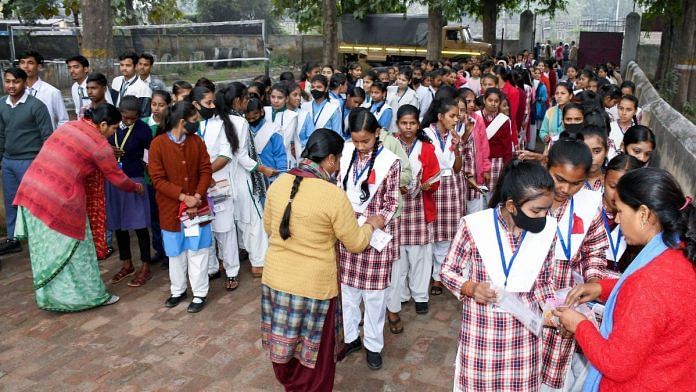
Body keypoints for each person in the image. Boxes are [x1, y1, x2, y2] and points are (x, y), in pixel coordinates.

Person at [554, 168, 696, 392]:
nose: (617, 220)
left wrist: (580, 325)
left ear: (643, 214)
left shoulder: (651, 281)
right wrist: (601, 287)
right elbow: (658, 305)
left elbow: (616, 363)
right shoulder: (680, 251)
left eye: (619, 211)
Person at [262, 128, 381, 391]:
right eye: (338, 160)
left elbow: (270, 229)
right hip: (314, 288)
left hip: (276, 282)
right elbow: (357, 242)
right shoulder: (332, 195)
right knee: (315, 357)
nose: (338, 166)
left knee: (286, 349)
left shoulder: (279, 183)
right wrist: (372, 224)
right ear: (329, 159)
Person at [13, 103, 144, 311]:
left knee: (47, 254)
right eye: (112, 128)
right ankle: (89, 297)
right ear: (102, 124)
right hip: (59, 203)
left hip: (32, 193)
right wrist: (136, 187)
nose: (113, 133)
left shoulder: (70, 126)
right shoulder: (99, 146)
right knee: (77, 252)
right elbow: (117, 179)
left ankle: (50, 299)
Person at [441, 159, 558, 391]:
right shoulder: (474, 226)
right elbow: (447, 271)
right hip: (482, 334)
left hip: (523, 337)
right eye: (536, 210)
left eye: (547, 209)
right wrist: (472, 288)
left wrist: (553, 311)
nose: (543, 216)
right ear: (512, 206)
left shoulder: (548, 232)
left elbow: (545, 281)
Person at [540, 137, 609, 392]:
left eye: (576, 183)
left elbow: (595, 249)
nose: (566, 190)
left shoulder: (590, 204)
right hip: (527, 297)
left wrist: (593, 281)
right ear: (546, 166)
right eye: (559, 179)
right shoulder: (528, 193)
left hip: (564, 298)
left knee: (554, 365)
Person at [339, 108, 401, 370]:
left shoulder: (390, 161)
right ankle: (351, 336)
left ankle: (373, 345)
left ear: (377, 133)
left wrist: (373, 220)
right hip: (346, 232)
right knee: (348, 291)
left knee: (375, 295)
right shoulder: (343, 153)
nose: (361, 146)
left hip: (375, 237)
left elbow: (390, 202)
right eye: (356, 141)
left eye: (366, 141)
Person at [148, 101, 213, 313]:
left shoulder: (197, 142)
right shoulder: (158, 144)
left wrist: (196, 196)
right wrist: (184, 197)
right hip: (171, 210)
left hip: (197, 207)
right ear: (182, 122)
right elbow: (157, 179)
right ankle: (178, 290)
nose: (198, 124)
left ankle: (200, 293)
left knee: (198, 251)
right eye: (195, 120)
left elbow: (205, 170)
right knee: (175, 253)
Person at [387, 105, 440, 331]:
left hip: (418, 205)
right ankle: (399, 295)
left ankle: (420, 296)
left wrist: (424, 185)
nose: (408, 127)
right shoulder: (390, 146)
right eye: (404, 123)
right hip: (396, 207)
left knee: (419, 254)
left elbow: (435, 177)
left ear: (418, 124)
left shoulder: (426, 148)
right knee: (398, 256)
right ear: (398, 124)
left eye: (412, 123)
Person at [216, 82, 270, 278]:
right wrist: (262, 169)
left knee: (228, 221)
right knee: (254, 219)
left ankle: (225, 259)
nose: (248, 102)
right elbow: (241, 155)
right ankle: (259, 262)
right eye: (246, 98)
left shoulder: (216, 120)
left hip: (221, 178)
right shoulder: (240, 122)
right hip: (240, 177)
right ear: (238, 101)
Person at [190, 86, 241, 291]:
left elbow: (225, 155)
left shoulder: (221, 124)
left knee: (225, 229)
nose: (212, 106)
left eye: (213, 102)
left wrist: (205, 174)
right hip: (196, 187)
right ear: (195, 105)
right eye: (208, 103)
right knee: (204, 228)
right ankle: (212, 268)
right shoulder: (190, 124)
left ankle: (232, 271)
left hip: (218, 183)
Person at [0, 67, 53, 255]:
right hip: (8, 161)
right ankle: (13, 238)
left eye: (15, 82)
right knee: (11, 201)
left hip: (30, 161)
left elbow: (47, 137)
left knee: (34, 202)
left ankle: (40, 239)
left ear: (24, 83)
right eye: (8, 81)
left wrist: (43, 164)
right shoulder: (2, 104)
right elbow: (1, 135)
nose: (11, 86)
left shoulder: (36, 106)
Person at [105, 96, 153, 287]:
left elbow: (150, 155)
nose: (129, 121)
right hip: (114, 179)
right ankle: (127, 264)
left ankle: (145, 266)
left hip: (135, 180)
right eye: (125, 118)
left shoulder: (143, 130)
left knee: (140, 225)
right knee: (119, 225)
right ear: (119, 113)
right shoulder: (110, 125)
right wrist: (109, 149)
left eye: (133, 118)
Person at [422, 98, 463, 296]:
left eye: (457, 116)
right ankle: (432, 274)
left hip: (451, 185)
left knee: (448, 233)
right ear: (440, 116)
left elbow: (457, 168)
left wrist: (457, 147)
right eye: (452, 116)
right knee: (433, 231)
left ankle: (440, 275)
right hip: (433, 184)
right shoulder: (426, 135)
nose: (456, 119)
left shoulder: (454, 135)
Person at [601, 154, 643, 275]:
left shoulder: (640, 220)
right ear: (603, 179)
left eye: (625, 190)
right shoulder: (589, 210)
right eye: (613, 187)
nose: (616, 196)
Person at [142, 90, 171, 267]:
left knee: (167, 216)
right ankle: (159, 249)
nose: (157, 109)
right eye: (154, 104)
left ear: (168, 106)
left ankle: (170, 252)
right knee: (154, 216)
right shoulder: (144, 124)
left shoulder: (170, 125)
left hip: (167, 179)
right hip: (149, 178)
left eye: (161, 105)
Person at [458, 88, 491, 214]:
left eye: (473, 101)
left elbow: (483, 145)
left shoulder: (477, 119)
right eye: (468, 101)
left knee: (474, 207)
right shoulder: (453, 120)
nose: (472, 104)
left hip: (475, 169)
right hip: (459, 170)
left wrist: (486, 167)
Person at [18, 50, 68, 129]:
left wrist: (54, 139)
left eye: (30, 63)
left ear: (39, 67)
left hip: (46, 138)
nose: (25, 66)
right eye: (22, 62)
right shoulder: (17, 92)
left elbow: (63, 121)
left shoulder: (52, 92)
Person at [478, 88, 514, 196]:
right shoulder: (475, 117)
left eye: (496, 101)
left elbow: (507, 146)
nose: (493, 104)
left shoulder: (503, 120)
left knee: (493, 194)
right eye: (490, 100)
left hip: (496, 162)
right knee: (478, 192)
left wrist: (507, 167)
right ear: (484, 100)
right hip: (478, 160)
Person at [245, 98, 287, 188]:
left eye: (254, 117)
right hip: (251, 178)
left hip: (271, 177)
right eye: (248, 118)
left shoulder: (273, 129)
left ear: (261, 112)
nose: (252, 121)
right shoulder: (243, 129)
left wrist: (282, 175)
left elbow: (280, 155)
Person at [299, 75, 342, 144]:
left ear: (326, 89)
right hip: (305, 146)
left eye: (319, 87)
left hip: (326, 147)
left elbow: (337, 134)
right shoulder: (304, 106)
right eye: (312, 87)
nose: (315, 89)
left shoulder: (333, 108)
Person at [265, 82, 300, 167]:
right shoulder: (264, 111)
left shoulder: (292, 116)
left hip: (283, 160)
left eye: (280, 98)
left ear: (287, 99)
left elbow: (285, 142)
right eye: (273, 97)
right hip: (264, 159)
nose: (276, 101)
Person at [579, 127, 609, 193]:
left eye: (597, 151)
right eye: (585, 152)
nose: (591, 157)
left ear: (606, 151)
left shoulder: (612, 180)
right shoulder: (571, 181)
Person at [531, 66, 549, 150]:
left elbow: (545, 98)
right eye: (535, 73)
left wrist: (537, 98)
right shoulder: (530, 83)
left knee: (538, 124)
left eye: (539, 73)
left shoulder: (542, 86)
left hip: (539, 107)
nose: (537, 75)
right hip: (532, 106)